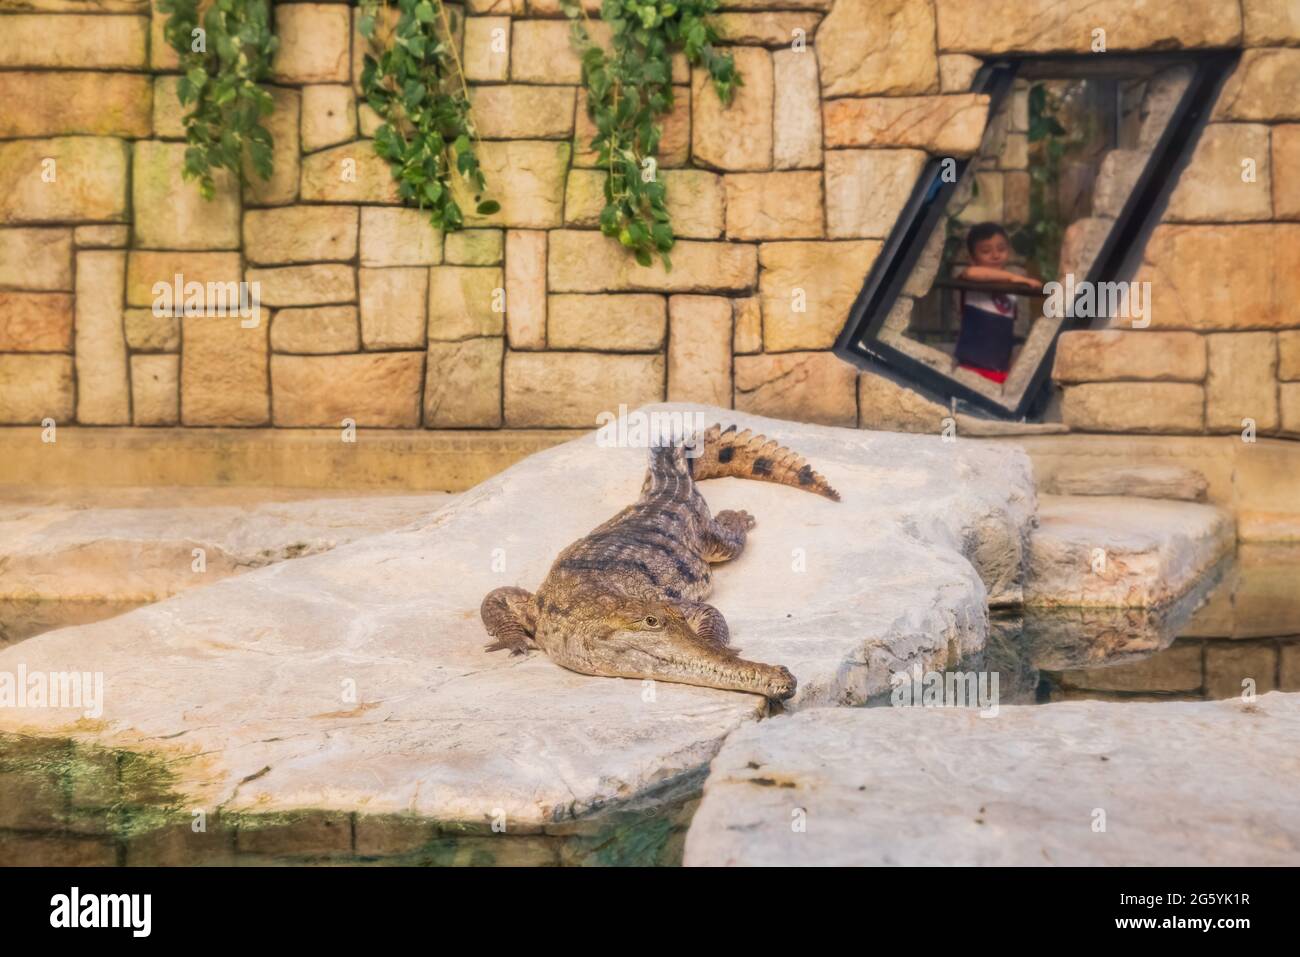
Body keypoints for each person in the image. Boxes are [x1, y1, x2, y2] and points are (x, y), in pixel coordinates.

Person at [953, 222, 1044, 384]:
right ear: (972, 257)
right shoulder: (972, 281)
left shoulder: (1010, 287)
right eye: (986, 251)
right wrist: (1014, 278)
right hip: (972, 366)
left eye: (1001, 249)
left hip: (1000, 367)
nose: (995, 255)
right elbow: (972, 272)